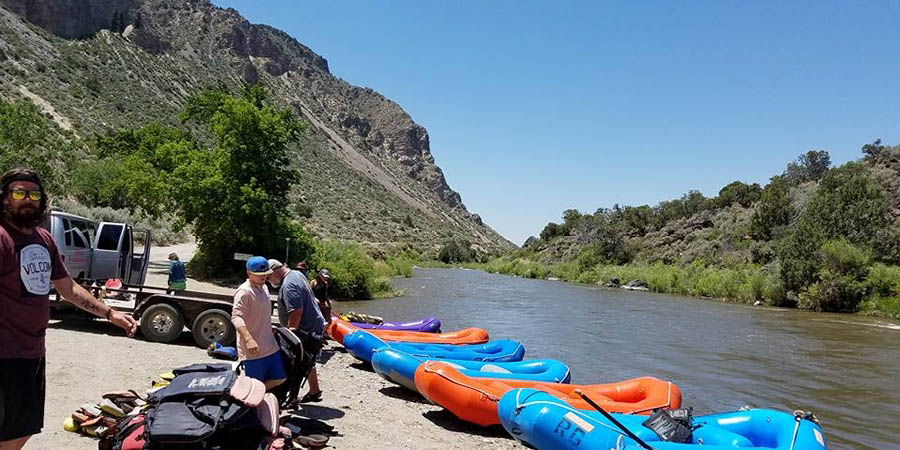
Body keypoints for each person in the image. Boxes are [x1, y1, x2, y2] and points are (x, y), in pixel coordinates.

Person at [0, 168, 137, 450]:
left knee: (22, 428)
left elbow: (69, 288)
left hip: (31, 352)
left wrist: (109, 313)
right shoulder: (2, 238)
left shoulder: (43, 239)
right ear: (4, 198)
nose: (27, 199)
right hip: (4, 355)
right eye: (18, 193)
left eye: (33, 194)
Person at [267, 259, 324, 403]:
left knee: (295, 363)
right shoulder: (297, 274)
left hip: (305, 329)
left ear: (274, 272)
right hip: (313, 325)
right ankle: (314, 391)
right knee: (307, 359)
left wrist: (289, 334)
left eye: (268, 277)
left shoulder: (289, 284)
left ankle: (291, 399)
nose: (268, 281)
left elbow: (296, 311)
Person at [231, 256, 285, 390]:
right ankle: (250, 397)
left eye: (266, 274)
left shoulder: (264, 288)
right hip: (253, 351)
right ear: (249, 274)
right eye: (259, 274)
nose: (264, 277)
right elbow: (236, 317)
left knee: (280, 377)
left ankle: (257, 394)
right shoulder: (244, 292)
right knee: (254, 385)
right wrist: (248, 339)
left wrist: (268, 326)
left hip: (270, 346)